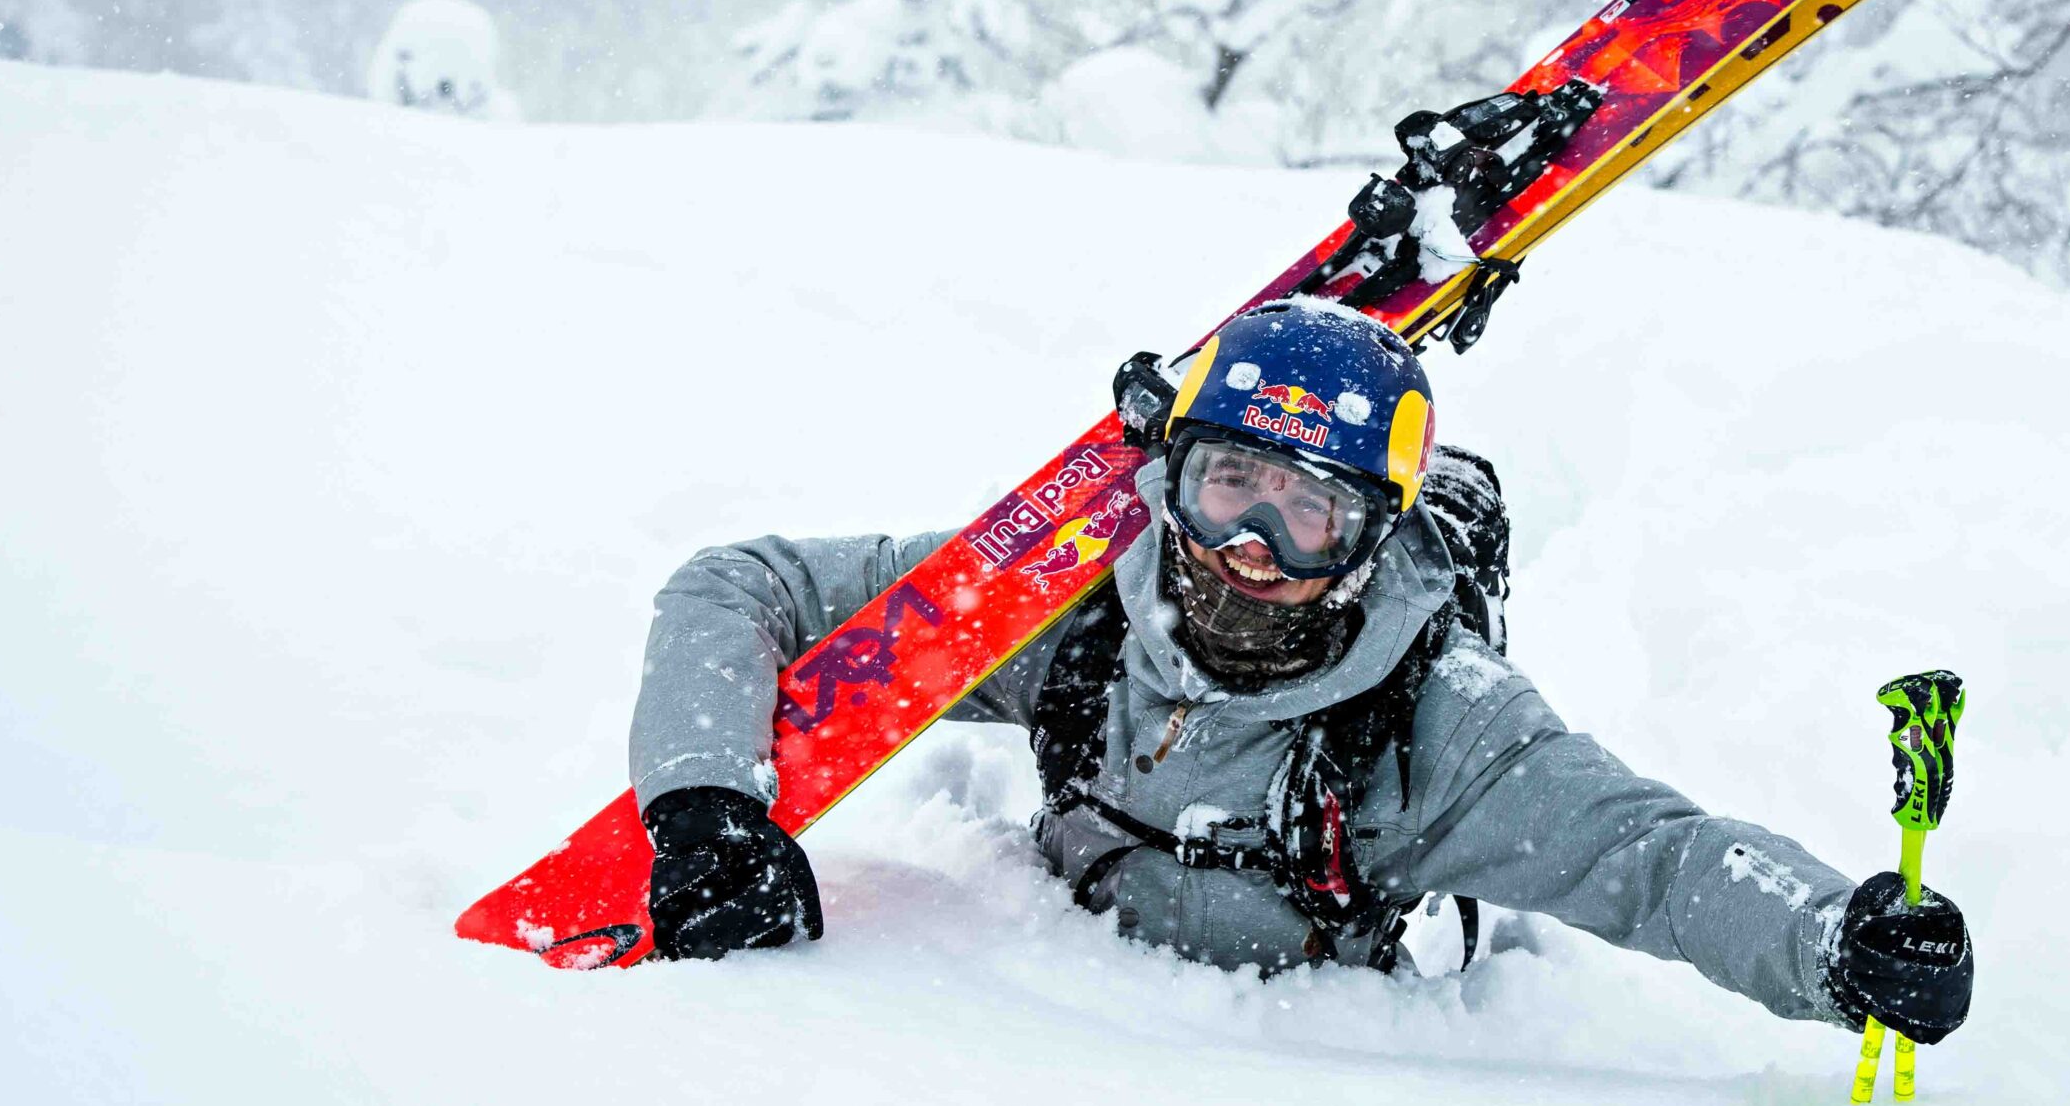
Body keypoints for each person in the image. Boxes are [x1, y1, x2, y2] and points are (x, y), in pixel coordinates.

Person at [626, 300, 1972, 1047]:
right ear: (1172, 477)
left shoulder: (1447, 729)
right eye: (1230, 487)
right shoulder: (1072, 609)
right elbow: (738, 586)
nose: (1252, 547)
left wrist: (1833, 942)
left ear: (1370, 536)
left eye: (1305, 513)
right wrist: (702, 803)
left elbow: (1659, 863)